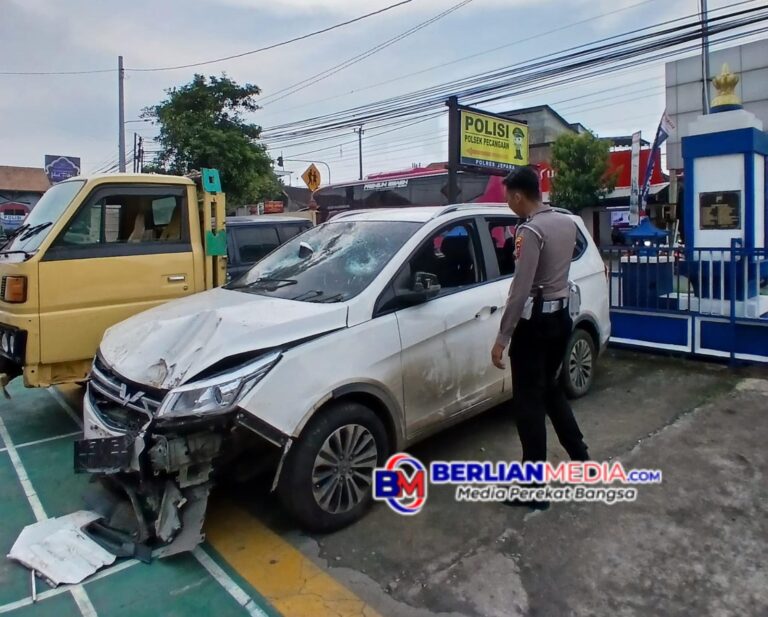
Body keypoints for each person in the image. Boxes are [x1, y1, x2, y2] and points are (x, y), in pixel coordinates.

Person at [490, 166, 590, 510]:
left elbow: (520, 290)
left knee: (528, 406)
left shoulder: (530, 231)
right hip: (561, 320)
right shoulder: (566, 222)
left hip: (534, 327)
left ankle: (534, 489)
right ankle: (581, 459)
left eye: (508, 197)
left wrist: (503, 336)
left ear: (518, 195)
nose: (508, 204)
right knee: (551, 390)